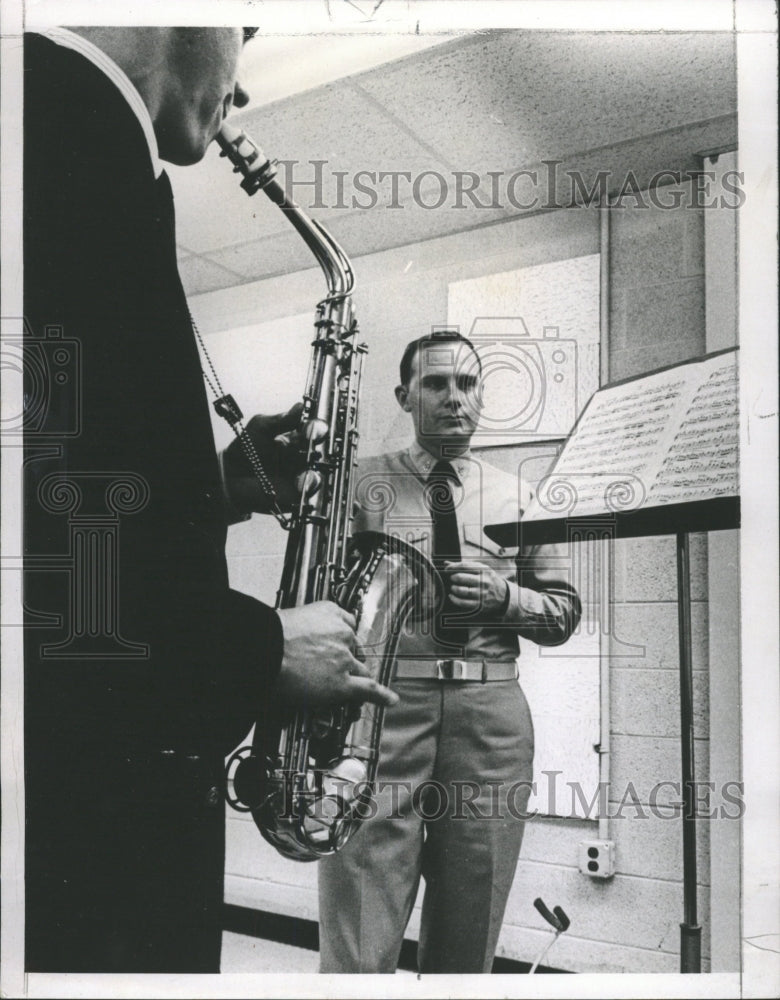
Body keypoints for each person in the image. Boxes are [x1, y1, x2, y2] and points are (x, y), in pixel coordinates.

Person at [22, 26, 396, 974]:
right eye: (249, 30)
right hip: (93, 837)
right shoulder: (58, 148)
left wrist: (214, 486)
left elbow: (61, 492)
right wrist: (264, 647)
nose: (242, 84)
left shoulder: (65, 139)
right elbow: (51, 587)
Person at [318, 330, 581, 974]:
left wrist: (504, 597)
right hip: (379, 711)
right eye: (436, 384)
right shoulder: (357, 485)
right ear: (405, 394)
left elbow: (564, 614)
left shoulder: (522, 492)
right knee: (358, 913)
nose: (454, 399)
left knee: (472, 919)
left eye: (467, 384)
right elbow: (318, 600)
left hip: (489, 718)